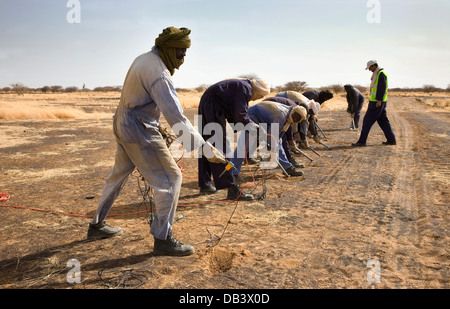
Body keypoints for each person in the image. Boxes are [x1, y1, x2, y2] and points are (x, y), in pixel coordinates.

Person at [87, 27, 227, 257]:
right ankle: (163, 239)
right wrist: (204, 148)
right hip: (138, 129)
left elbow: (143, 102)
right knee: (171, 178)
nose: (183, 57)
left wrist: (155, 123)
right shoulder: (159, 74)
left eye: (185, 52)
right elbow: (176, 117)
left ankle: (96, 225)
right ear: (168, 48)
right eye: (180, 52)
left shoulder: (144, 59)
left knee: (118, 175)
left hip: (123, 122)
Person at [197, 78, 270, 201]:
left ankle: (205, 184)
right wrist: (254, 127)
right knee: (221, 147)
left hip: (207, 104)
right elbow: (240, 114)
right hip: (212, 107)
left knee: (208, 146)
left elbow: (236, 115)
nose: (258, 99)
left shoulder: (242, 86)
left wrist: (250, 127)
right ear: (257, 91)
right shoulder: (245, 89)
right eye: (260, 96)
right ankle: (232, 190)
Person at [230, 101, 307, 178]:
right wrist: (269, 145)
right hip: (251, 117)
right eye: (296, 116)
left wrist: (271, 144)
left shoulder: (288, 114)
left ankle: (287, 168)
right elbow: (272, 137)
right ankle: (232, 172)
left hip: (263, 120)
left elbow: (279, 134)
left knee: (278, 143)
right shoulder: (281, 115)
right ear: (294, 111)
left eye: (298, 118)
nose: (296, 118)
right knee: (244, 146)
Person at [352, 60, 396, 146]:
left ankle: (362, 141)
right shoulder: (378, 73)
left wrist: (379, 101)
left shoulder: (381, 74)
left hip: (377, 102)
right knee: (383, 121)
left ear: (374, 65)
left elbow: (381, 88)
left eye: (370, 68)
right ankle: (391, 140)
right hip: (379, 102)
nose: (369, 70)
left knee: (367, 121)